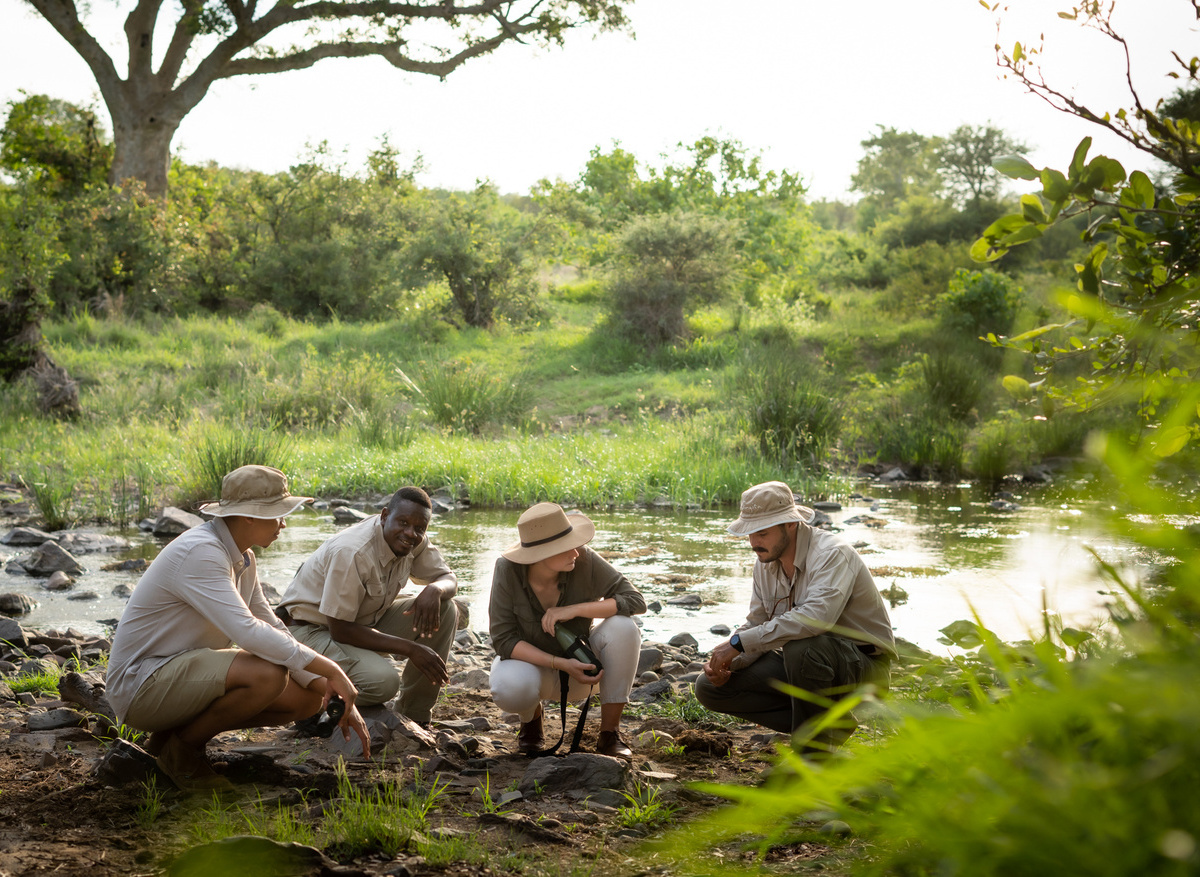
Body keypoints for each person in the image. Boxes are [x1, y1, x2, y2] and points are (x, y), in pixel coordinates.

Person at [107, 465, 370, 792]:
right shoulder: (202, 552)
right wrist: (332, 669)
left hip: (176, 676)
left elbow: (270, 624)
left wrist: (328, 687)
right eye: (278, 515)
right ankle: (182, 755)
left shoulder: (242, 557)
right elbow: (248, 632)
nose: (284, 524)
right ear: (249, 516)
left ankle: (169, 742)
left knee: (306, 700)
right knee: (267, 674)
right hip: (140, 686)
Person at [695, 481, 895, 752]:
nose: (754, 543)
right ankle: (833, 727)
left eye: (762, 533)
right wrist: (731, 661)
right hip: (805, 664)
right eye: (750, 534)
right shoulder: (765, 562)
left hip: (864, 669)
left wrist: (739, 643)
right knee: (709, 688)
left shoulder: (832, 554)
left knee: (802, 647)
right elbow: (757, 623)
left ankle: (812, 757)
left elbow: (815, 619)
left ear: (790, 523)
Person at [277, 486, 458, 727]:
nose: (410, 533)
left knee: (446, 609)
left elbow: (449, 578)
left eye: (419, 528)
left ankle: (415, 714)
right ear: (384, 516)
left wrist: (435, 589)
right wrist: (411, 649)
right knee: (384, 683)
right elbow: (340, 629)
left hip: (361, 623)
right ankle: (313, 705)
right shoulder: (352, 551)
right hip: (311, 630)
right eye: (403, 523)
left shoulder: (414, 540)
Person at [488, 502, 646, 758]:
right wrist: (560, 663)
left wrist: (573, 610)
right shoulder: (507, 570)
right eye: (565, 547)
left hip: (586, 669)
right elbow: (503, 640)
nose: (575, 551)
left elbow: (635, 601)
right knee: (508, 687)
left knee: (624, 627)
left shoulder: (584, 558)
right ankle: (531, 718)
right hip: (534, 671)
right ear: (539, 555)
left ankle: (610, 734)